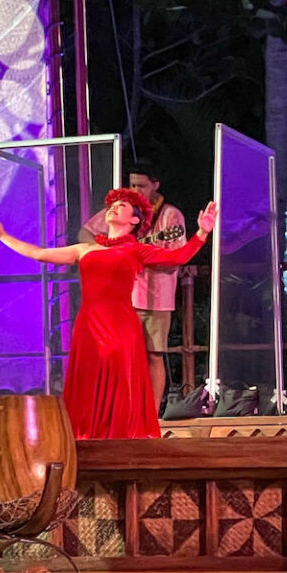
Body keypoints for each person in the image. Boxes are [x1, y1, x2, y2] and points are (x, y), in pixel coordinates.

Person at [0, 190, 217, 439]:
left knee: (118, 383)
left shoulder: (136, 250)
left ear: (135, 220)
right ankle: (86, 440)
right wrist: (3, 235)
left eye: (121, 205)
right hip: (88, 326)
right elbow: (40, 254)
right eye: (112, 205)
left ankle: (120, 441)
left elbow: (178, 256)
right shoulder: (85, 249)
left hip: (120, 326)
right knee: (88, 383)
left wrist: (202, 233)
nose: (113, 208)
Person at [80, 166, 186, 414]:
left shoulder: (170, 216)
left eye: (142, 186)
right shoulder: (121, 211)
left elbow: (176, 256)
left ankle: (149, 412)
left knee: (153, 354)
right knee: (117, 355)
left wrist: (140, 255)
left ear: (156, 185)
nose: (135, 190)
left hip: (156, 296)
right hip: (120, 297)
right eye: (132, 185)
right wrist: (105, 254)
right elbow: (86, 231)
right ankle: (119, 410)